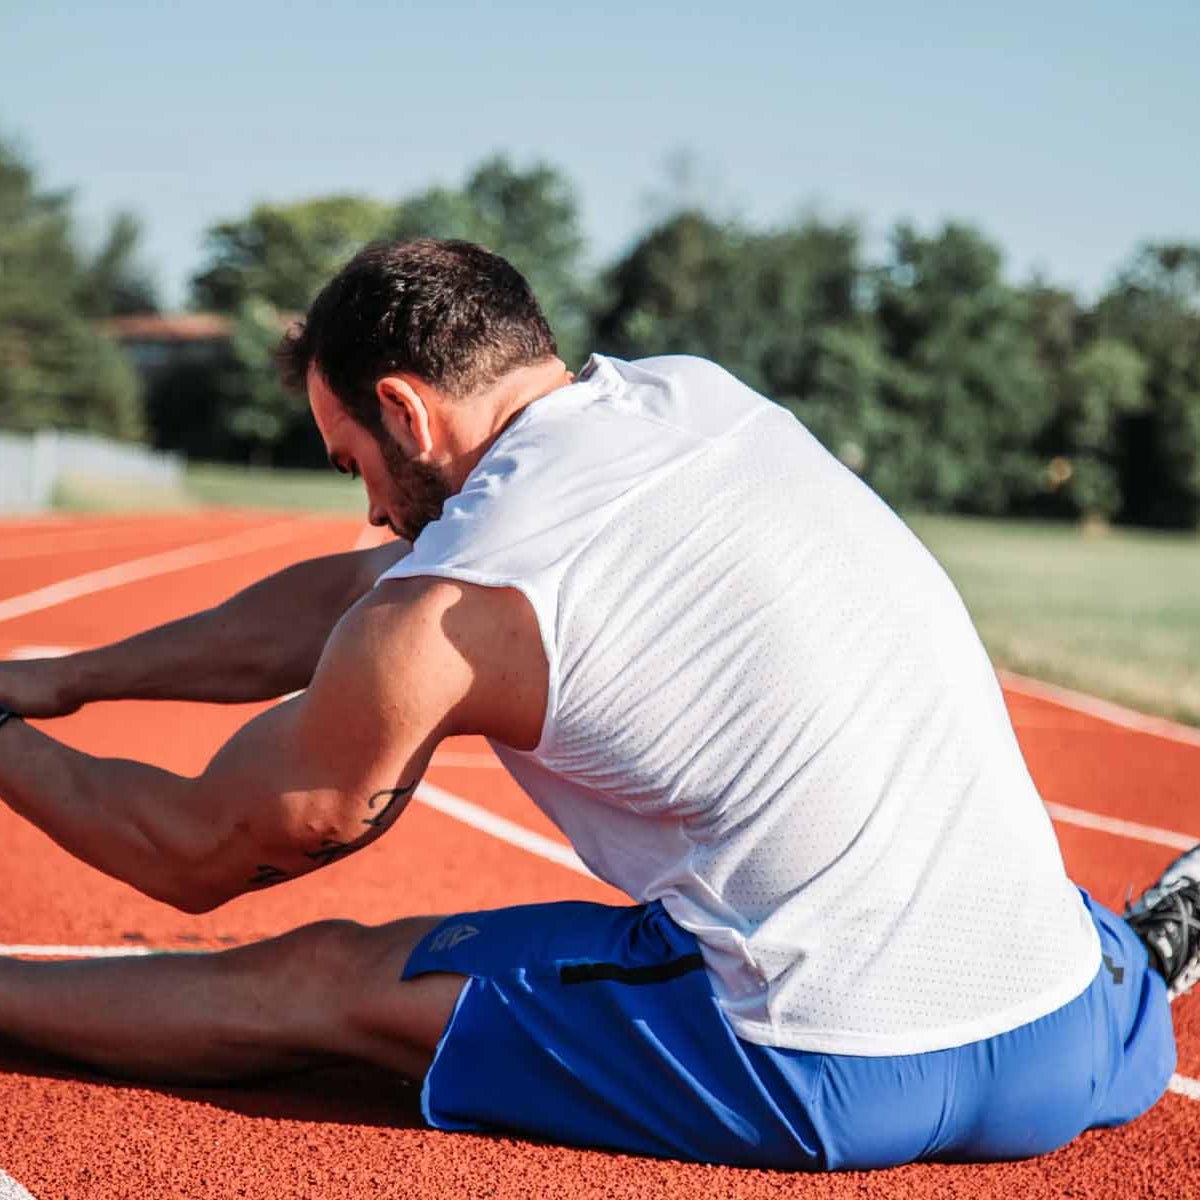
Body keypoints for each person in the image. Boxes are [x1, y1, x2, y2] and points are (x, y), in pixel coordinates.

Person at [0, 238, 1195, 1171]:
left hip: (819, 1065)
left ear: (407, 414)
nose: (368, 506)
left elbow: (197, 850)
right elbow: (369, 584)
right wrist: (66, 676)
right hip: (1069, 1040)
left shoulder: (451, 613)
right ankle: (1139, 959)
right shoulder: (692, 399)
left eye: (352, 460)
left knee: (321, 978)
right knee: (956, 846)